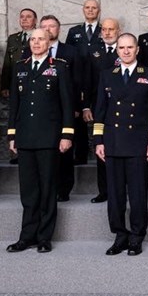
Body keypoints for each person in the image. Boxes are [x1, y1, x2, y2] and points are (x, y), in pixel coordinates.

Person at [93, 33, 148, 256]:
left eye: (129, 47)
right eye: (121, 47)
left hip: (138, 144)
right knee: (114, 195)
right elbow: (100, 112)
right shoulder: (107, 76)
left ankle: (136, 236)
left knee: (137, 194)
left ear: (137, 50)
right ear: (117, 50)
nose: (125, 51)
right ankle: (119, 235)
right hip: (112, 143)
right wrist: (98, 141)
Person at [7, 29, 75, 253]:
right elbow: (14, 105)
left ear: (49, 42)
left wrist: (66, 134)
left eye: (41, 39)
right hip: (25, 137)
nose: (36, 43)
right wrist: (12, 134)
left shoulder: (60, 67)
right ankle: (27, 236)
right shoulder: (20, 67)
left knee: (47, 190)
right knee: (28, 191)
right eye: (33, 39)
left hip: (49, 137)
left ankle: (44, 237)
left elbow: (67, 104)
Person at [37, 15, 85, 201]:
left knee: (64, 151)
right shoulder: (28, 52)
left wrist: (75, 107)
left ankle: (63, 189)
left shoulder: (71, 52)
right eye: (44, 27)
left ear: (59, 29)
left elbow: (77, 81)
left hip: (64, 109)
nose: (48, 30)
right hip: (41, 112)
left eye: (52, 26)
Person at [84, 17, 121, 204]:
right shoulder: (94, 51)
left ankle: (120, 190)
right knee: (101, 149)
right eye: (104, 29)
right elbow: (88, 80)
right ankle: (103, 191)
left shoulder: (125, 50)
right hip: (100, 108)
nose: (107, 32)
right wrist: (86, 106)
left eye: (111, 29)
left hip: (121, 108)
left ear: (118, 31)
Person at [64, 0, 103, 164]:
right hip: (79, 79)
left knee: (99, 116)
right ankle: (80, 156)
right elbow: (67, 54)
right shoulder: (74, 31)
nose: (90, 10)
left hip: (99, 79)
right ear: (83, 10)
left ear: (98, 10)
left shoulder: (104, 30)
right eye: (87, 7)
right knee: (79, 118)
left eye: (94, 8)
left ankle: (100, 151)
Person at [2, 7, 38, 98]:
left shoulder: (40, 37)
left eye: (28, 17)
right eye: (22, 17)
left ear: (35, 20)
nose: (24, 19)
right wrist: (5, 85)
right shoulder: (13, 38)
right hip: (15, 82)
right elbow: (7, 64)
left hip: (33, 82)